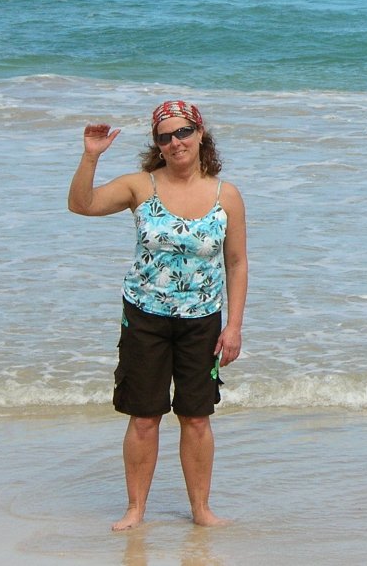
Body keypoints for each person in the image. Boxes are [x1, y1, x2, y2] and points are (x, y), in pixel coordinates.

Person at [68, 100, 248, 531]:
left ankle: (201, 511)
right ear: (158, 145)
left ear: (200, 133)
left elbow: (237, 263)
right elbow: (82, 204)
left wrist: (235, 325)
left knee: (196, 417)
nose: (175, 142)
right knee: (145, 417)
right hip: (145, 317)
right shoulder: (140, 186)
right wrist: (90, 156)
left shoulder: (227, 196)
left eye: (183, 132)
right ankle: (136, 510)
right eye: (164, 136)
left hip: (202, 320)